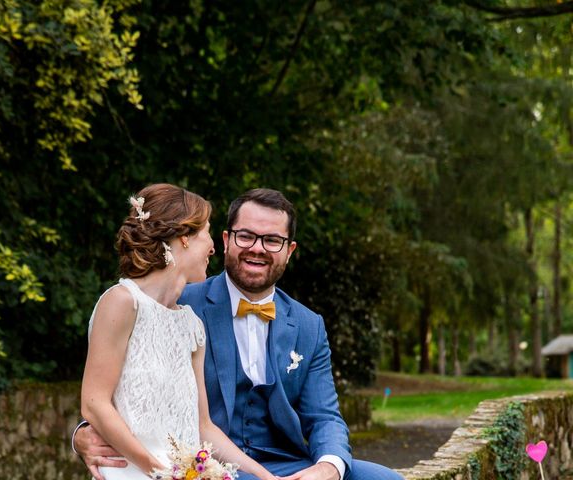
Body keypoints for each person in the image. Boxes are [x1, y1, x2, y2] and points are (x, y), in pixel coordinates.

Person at [75, 188, 402, 480]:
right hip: (209, 466)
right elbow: (112, 388)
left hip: (286, 464)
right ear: (227, 239)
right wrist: (83, 435)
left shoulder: (308, 325)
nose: (258, 249)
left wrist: (328, 467)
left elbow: (324, 415)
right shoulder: (177, 301)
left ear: (290, 250)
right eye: (246, 236)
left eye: (272, 240)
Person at [79, 183, 277, 480]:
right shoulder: (121, 302)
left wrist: (268, 478)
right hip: (132, 472)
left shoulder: (191, 325)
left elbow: (204, 427)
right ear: (184, 237)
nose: (214, 247)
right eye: (208, 232)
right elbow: (94, 404)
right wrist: (156, 470)